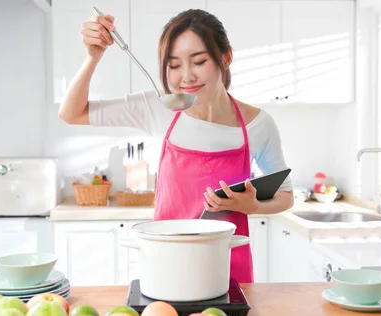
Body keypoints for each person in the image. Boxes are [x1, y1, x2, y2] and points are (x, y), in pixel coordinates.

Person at [58, 9, 294, 283]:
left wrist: (252, 206)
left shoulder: (258, 125)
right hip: (167, 263)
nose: (186, 77)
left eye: (199, 61)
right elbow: (71, 113)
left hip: (227, 267)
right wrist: (93, 57)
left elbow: (286, 197)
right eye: (174, 65)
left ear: (226, 57)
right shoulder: (157, 108)